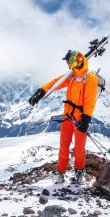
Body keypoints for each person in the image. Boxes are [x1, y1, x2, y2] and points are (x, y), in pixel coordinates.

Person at [28, 50, 98, 184]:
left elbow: (90, 101)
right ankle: (60, 172)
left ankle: (79, 172)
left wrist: (86, 120)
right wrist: (41, 91)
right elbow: (56, 83)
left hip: (79, 119)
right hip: (67, 117)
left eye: (69, 61)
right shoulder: (71, 75)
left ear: (75, 60)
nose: (67, 65)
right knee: (63, 146)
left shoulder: (90, 78)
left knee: (79, 148)